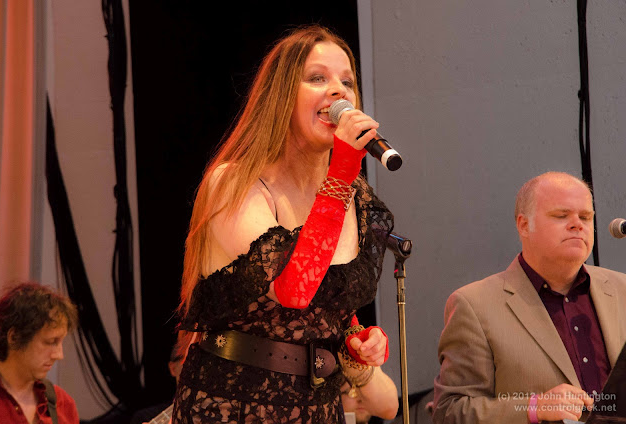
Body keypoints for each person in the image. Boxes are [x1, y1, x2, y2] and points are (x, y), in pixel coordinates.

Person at [172, 24, 394, 423]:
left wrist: (354, 341)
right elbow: (294, 289)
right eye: (317, 78)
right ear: (281, 97)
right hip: (234, 405)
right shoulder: (236, 183)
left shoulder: (353, 197)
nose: (338, 91)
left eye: (347, 82)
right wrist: (342, 171)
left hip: (318, 406)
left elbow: (325, 304)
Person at [433, 171, 626, 424]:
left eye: (585, 217)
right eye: (561, 215)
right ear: (524, 225)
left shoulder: (622, 289)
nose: (577, 224)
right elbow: (449, 412)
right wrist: (533, 407)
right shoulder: (474, 305)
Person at [0, 281, 79, 424]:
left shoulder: (63, 404)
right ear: (14, 337)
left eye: (61, 342)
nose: (59, 355)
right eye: (50, 342)